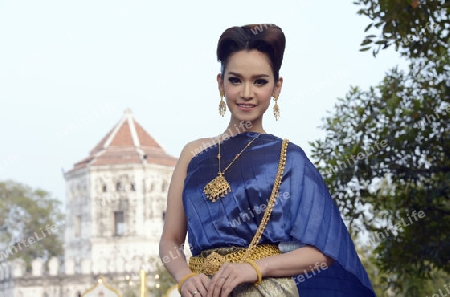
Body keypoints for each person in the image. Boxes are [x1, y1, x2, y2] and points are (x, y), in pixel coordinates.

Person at [159, 24, 376, 297]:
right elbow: (171, 240)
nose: (246, 93)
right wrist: (184, 276)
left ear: (277, 87)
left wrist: (255, 268)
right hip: (203, 291)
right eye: (235, 80)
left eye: (259, 81)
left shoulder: (289, 157)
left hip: (265, 289)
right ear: (220, 82)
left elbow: (323, 253)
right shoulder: (193, 154)